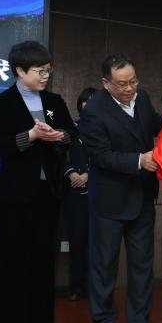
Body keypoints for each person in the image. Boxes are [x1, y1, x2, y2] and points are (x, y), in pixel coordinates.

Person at [0, 41, 74, 323]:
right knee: (13, 265)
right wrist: (32, 136)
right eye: (40, 71)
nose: (45, 76)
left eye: (48, 70)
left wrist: (59, 136)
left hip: (47, 193)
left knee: (42, 265)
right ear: (20, 71)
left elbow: (72, 133)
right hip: (13, 196)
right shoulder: (2, 102)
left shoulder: (53, 101)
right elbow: (1, 147)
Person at [78, 54, 162, 323]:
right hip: (109, 201)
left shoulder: (143, 99)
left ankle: (140, 322)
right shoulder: (94, 111)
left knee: (142, 265)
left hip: (142, 197)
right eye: (122, 84)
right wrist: (139, 160)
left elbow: (157, 124)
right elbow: (101, 156)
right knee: (104, 265)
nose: (129, 88)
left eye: (133, 81)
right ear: (106, 83)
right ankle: (103, 321)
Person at [63, 87, 96, 301]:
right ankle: (76, 287)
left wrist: (88, 175)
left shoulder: (104, 130)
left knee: (96, 244)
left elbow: (107, 157)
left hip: (97, 194)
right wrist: (71, 173)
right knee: (76, 241)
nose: (89, 105)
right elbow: (58, 155)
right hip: (73, 194)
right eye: (86, 101)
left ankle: (94, 288)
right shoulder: (71, 129)